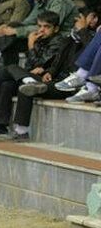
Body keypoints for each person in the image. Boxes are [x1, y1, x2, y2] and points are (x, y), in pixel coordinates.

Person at [8, 8, 98, 139]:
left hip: (73, 87)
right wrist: (50, 71)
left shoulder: (93, 38)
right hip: (56, 80)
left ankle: (21, 131)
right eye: (77, 19)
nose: (77, 22)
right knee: (8, 78)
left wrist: (82, 30)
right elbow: (57, 61)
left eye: (81, 19)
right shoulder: (69, 38)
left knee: (26, 87)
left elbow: (92, 51)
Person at [0, 11, 65, 135]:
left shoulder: (58, 42)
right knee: (6, 85)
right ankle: (0, 125)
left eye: (47, 27)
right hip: (33, 76)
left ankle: (23, 82)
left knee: (10, 68)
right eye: (40, 26)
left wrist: (31, 46)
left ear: (56, 28)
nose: (42, 30)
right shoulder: (39, 40)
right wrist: (31, 68)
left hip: (47, 81)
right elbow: (30, 66)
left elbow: (42, 63)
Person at [0, 0, 76, 66]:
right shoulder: (41, 1)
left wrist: (17, 31)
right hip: (44, 36)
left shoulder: (59, 1)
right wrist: (8, 27)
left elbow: (49, 27)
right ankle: (9, 69)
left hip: (60, 38)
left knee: (14, 34)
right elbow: (28, 22)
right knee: (12, 32)